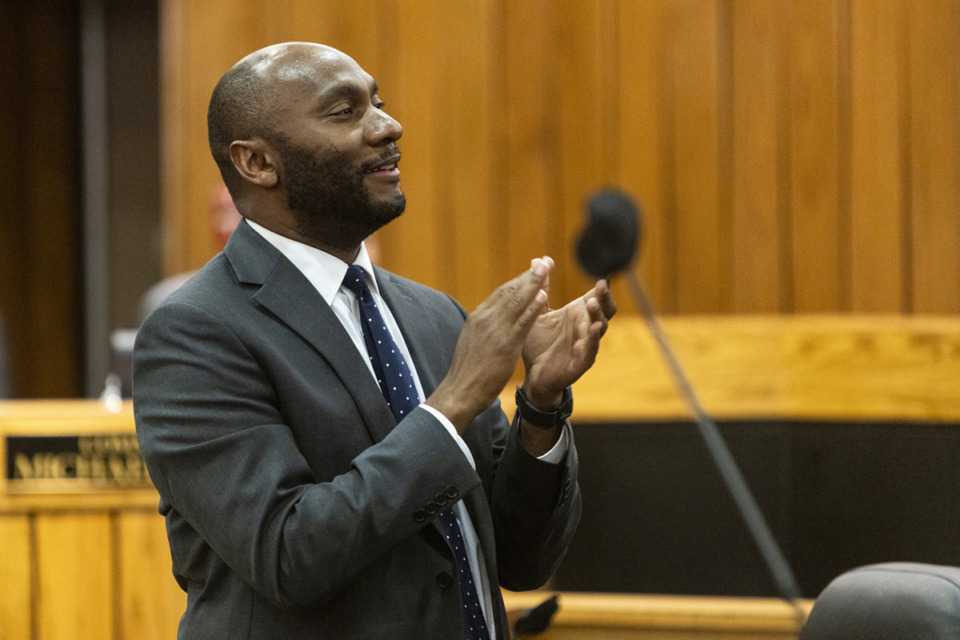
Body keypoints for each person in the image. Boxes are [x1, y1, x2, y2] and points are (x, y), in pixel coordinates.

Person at [133, 42, 615, 639]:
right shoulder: (193, 332)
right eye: (345, 111)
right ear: (257, 162)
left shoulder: (432, 314)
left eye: (379, 102)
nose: (389, 126)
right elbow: (288, 554)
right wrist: (455, 399)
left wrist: (540, 405)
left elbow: (521, 560)